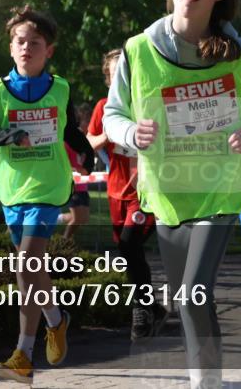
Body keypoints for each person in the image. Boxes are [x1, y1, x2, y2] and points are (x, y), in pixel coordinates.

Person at [103, 0, 241, 389]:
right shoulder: (138, 50)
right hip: (168, 189)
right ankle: (227, 383)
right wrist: (128, 134)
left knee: (194, 293)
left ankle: (206, 385)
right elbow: (112, 114)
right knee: (182, 299)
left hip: (219, 186)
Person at [0, 5, 91, 385]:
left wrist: (85, 150)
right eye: (20, 41)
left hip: (48, 188)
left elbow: (67, 129)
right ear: (11, 47)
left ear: (48, 50)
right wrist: (8, 136)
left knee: (26, 265)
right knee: (32, 274)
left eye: (35, 43)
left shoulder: (61, 88)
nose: (26, 48)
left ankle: (23, 354)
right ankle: (56, 318)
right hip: (12, 189)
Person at [86, 48, 168, 341]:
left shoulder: (149, 104)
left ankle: (142, 309)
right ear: (108, 79)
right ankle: (153, 308)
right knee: (127, 250)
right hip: (115, 191)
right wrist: (108, 135)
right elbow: (89, 143)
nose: (121, 79)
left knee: (131, 245)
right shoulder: (103, 107)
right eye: (115, 74)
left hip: (144, 191)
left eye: (127, 73)